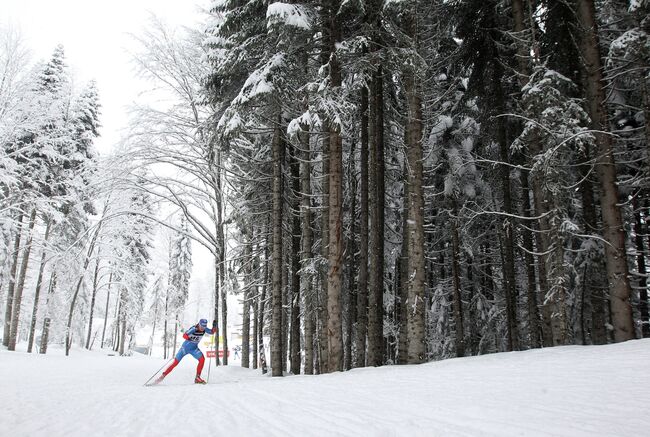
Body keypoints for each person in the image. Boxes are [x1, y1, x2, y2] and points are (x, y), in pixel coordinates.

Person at [156, 318, 217, 384]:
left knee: (202, 359)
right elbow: (184, 335)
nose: (202, 328)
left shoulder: (204, 329)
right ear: (199, 324)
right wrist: (189, 338)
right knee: (175, 363)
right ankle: (162, 376)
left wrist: (214, 326)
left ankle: (197, 378)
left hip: (194, 349)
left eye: (204, 327)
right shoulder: (194, 329)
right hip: (184, 348)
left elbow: (212, 332)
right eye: (201, 326)